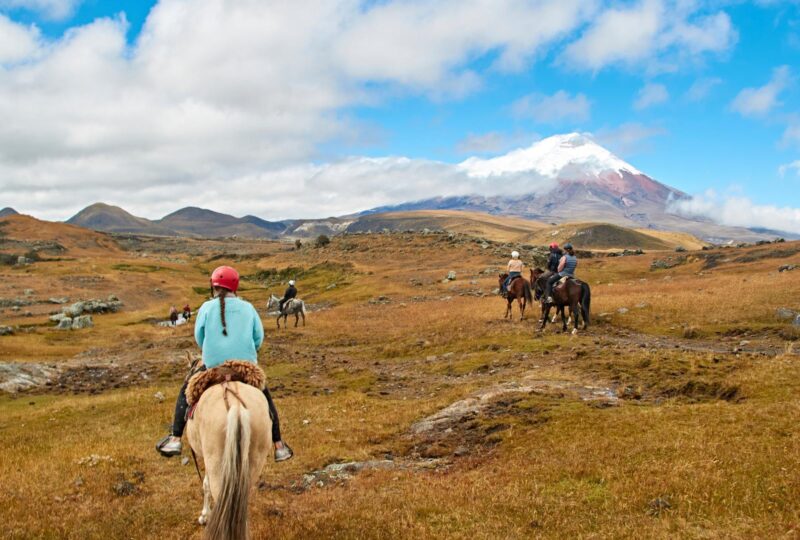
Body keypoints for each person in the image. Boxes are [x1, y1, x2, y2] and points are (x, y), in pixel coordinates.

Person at [156, 265, 293, 462]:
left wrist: (213, 348)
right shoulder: (248, 307)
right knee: (265, 397)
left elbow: (199, 337)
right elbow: (258, 339)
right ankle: (279, 445)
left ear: (214, 286)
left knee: (186, 390)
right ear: (234, 287)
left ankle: (175, 438)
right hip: (245, 367)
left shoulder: (205, 307)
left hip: (214, 367)